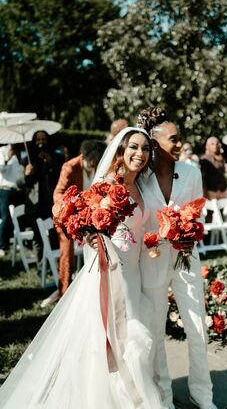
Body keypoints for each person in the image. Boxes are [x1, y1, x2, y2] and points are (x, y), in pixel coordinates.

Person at [0, 127, 166, 409]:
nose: (140, 154)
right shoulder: (107, 186)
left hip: (136, 272)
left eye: (145, 149)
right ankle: (133, 399)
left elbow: (146, 225)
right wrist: (89, 234)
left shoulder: (144, 185)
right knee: (130, 337)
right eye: (134, 148)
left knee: (131, 338)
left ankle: (127, 392)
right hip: (112, 273)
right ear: (121, 153)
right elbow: (83, 217)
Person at [136, 107, 217, 409]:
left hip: (186, 257)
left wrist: (188, 232)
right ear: (154, 143)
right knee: (156, 332)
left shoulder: (193, 173)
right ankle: (165, 396)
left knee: (197, 325)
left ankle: (202, 394)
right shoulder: (140, 178)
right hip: (153, 260)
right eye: (174, 139)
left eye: (180, 138)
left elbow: (197, 214)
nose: (180, 144)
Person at [53, 139, 105, 296]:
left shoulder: (98, 167)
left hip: (91, 217)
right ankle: (64, 291)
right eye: (91, 159)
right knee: (67, 252)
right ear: (84, 155)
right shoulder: (70, 167)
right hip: (68, 217)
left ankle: (92, 289)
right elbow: (58, 193)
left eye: (96, 160)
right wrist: (73, 208)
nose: (93, 163)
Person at [17, 131, 62, 262]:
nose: (41, 142)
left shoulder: (55, 157)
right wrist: (26, 174)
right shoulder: (27, 159)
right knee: (38, 237)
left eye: (43, 139)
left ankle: (55, 264)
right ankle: (41, 266)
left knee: (54, 234)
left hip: (52, 204)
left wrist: (51, 163)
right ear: (34, 142)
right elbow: (18, 182)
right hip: (34, 205)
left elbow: (62, 177)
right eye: (38, 140)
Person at [0, 144, 24, 258]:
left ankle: (15, 242)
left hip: (16, 190)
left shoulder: (17, 153)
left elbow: (17, 172)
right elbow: (1, 169)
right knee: (5, 218)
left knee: (18, 218)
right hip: (5, 190)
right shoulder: (2, 151)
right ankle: (2, 246)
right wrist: (7, 158)